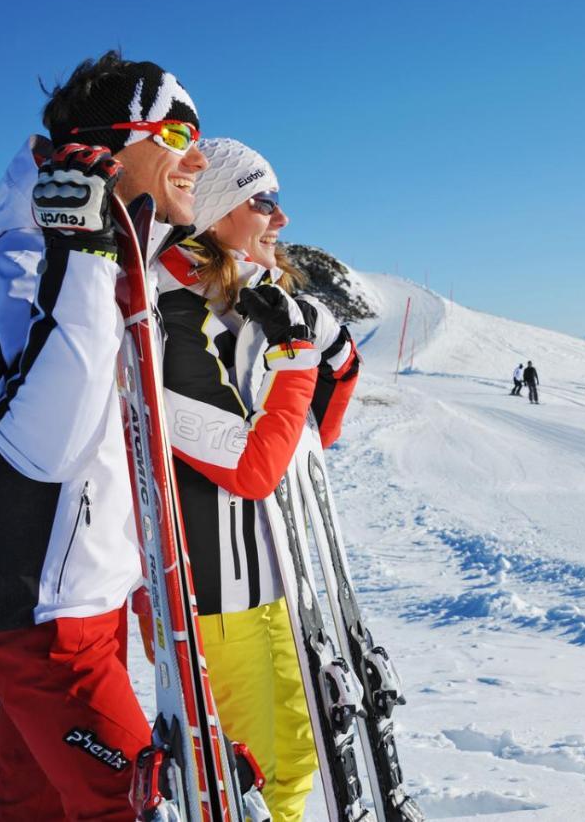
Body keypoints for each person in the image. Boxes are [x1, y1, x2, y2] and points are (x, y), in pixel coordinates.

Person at [0, 52, 205, 820]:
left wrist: (140, 583)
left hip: (81, 602)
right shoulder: (16, 267)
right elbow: (41, 451)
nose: (199, 154)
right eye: (180, 131)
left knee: (37, 809)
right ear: (115, 144)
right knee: (131, 804)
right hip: (35, 613)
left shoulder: (105, 267)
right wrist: (84, 258)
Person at [153, 137, 360, 822]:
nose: (282, 218)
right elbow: (250, 468)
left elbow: (326, 401)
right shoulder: (171, 314)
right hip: (210, 601)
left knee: (297, 759)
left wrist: (320, 355)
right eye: (262, 200)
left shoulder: (254, 303)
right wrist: (296, 359)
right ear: (214, 213)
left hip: (272, 584)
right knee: (247, 780)